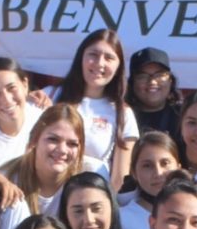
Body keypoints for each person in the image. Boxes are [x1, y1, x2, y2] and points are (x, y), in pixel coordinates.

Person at [45, 29, 138, 189]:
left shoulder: (123, 114)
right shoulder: (51, 96)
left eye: (109, 58)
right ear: (81, 57)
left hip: (90, 199)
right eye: (93, 55)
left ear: (118, 67)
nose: (99, 63)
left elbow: (119, 178)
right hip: (48, 194)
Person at [0, 103, 85, 215]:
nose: (63, 150)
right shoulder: (8, 179)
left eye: (72, 144)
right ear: (35, 139)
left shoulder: (91, 173)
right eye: (53, 139)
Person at [120, 131, 181, 229]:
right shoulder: (122, 219)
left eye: (165, 163)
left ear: (178, 167)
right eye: (147, 166)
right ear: (134, 173)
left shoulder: (192, 215)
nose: (158, 173)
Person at [126, 47, 181, 144]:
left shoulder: (183, 116)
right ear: (132, 83)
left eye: (159, 75)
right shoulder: (123, 117)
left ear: (170, 80)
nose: (152, 82)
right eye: (143, 76)